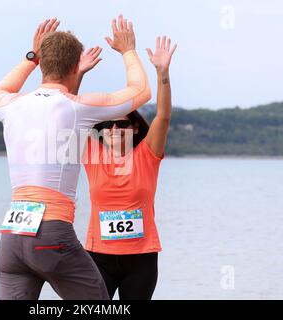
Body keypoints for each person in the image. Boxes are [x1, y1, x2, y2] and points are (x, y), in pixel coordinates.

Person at [0, 15, 151, 300]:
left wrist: (31, 58)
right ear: (76, 65)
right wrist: (128, 51)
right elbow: (141, 91)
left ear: (42, 62)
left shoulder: (10, 105)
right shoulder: (77, 107)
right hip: (51, 235)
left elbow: (0, 91)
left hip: (12, 238)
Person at [82, 36, 177, 300]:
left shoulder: (147, 153)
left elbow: (164, 116)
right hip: (99, 257)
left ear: (134, 127)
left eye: (121, 124)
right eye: (107, 125)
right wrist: (77, 74)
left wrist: (163, 73)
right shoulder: (92, 154)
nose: (113, 130)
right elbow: (68, 114)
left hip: (141, 259)